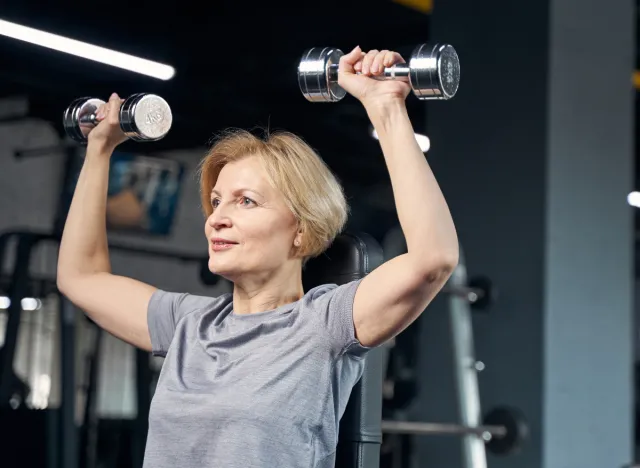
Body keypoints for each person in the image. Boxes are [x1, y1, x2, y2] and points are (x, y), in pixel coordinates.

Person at [57, 46, 459, 468]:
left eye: (245, 202)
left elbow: (433, 258)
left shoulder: (323, 324)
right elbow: (79, 277)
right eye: (216, 202)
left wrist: (386, 108)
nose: (217, 220)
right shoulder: (188, 326)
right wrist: (98, 151)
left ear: (300, 230)